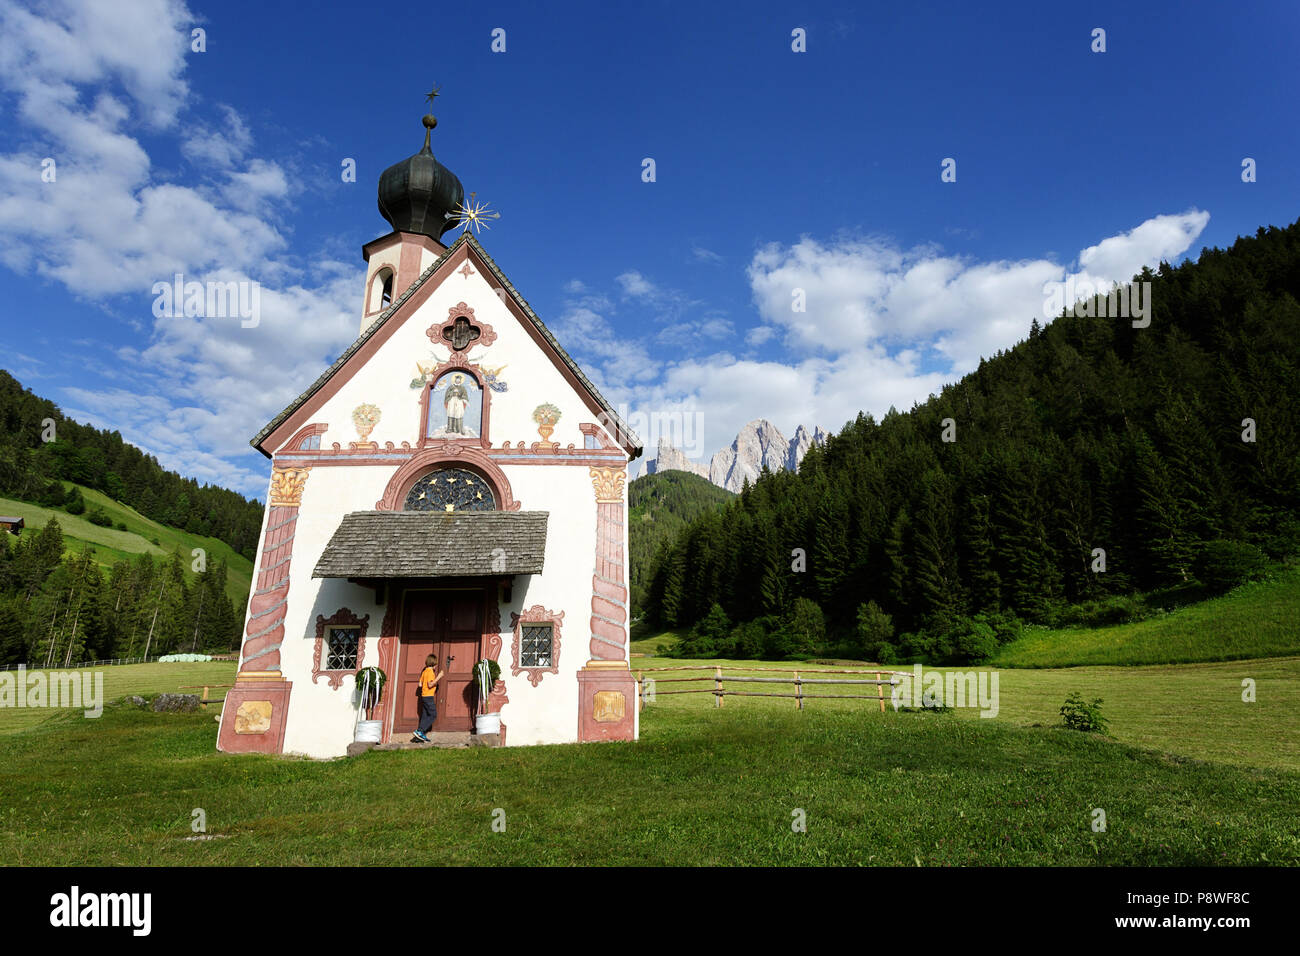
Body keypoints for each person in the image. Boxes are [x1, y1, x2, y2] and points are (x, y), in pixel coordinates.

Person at [412, 654, 445, 743]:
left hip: (423, 696)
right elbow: (430, 685)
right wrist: (439, 677)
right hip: (428, 696)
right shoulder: (430, 672)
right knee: (433, 715)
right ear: (434, 663)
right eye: (436, 663)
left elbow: (420, 684)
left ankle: (419, 735)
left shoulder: (424, 671)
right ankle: (420, 731)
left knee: (425, 715)